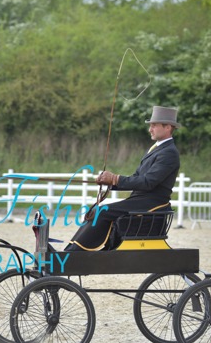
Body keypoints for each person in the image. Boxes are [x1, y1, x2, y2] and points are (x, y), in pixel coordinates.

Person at [65, 106, 181, 251]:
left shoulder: (169, 153)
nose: (150, 129)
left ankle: (75, 251)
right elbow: (137, 178)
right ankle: (74, 248)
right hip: (140, 200)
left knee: (102, 211)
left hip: (152, 203)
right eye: (150, 126)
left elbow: (148, 182)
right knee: (96, 211)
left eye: (154, 125)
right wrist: (111, 182)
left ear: (168, 127)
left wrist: (115, 179)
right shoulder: (156, 149)